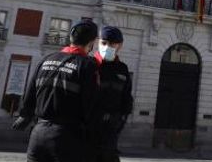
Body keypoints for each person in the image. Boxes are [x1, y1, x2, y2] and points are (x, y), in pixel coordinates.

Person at [12, 20, 100, 162]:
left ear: (71, 37)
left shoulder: (46, 59)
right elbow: (90, 104)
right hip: (67, 136)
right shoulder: (87, 65)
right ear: (92, 42)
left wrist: (25, 114)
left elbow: (29, 93)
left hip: (38, 134)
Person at [92, 26, 133, 162]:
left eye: (112, 44)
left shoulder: (122, 69)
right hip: (88, 131)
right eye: (104, 43)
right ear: (98, 42)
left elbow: (126, 98)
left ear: (119, 45)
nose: (107, 46)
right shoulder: (89, 65)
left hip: (111, 132)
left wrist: (120, 120)